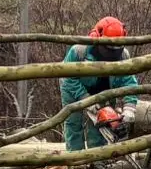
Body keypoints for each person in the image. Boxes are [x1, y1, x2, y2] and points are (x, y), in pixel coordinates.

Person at [60, 16, 140, 151]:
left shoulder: (123, 55)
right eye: (108, 48)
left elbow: (129, 81)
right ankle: (75, 160)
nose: (111, 53)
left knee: (101, 126)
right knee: (74, 123)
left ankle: (97, 160)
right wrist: (85, 98)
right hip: (74, 87)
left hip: (104, 90)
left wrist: (129, 107)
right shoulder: (79, 51)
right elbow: (68, 78)